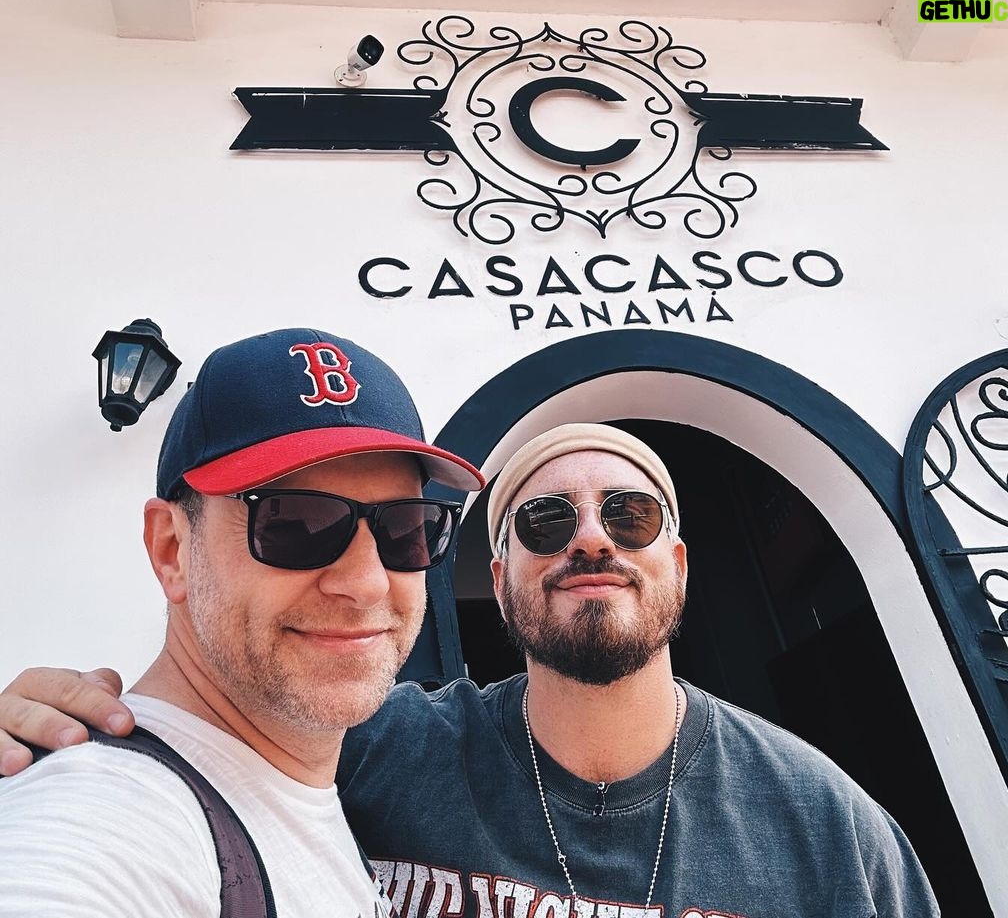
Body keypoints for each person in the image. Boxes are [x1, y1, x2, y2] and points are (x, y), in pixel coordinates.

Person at [0, 424, 940, 918]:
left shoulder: (826, 825)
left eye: (630, 515)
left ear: (679, 564)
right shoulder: (370, 745)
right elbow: (192, 745)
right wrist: (35, 727)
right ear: (499, 576)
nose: (590, 539)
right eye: (545, 521)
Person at [0, 327, 484, 917]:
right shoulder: (106, 814)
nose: (367, 583)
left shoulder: (329, 786)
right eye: (295, 522)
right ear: (172, 549)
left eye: (406, 527)